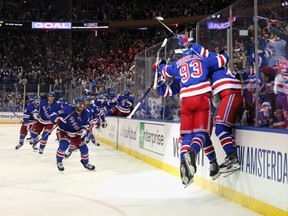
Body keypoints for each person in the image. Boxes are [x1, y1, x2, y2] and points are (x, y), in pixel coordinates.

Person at [157, 41, 229, 187]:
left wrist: (159, 66)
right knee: (202, 133)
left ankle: (185, 162)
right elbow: (223, 59)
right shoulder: (204, 59)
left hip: (186, 101)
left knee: (187, 135)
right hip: (201, 97)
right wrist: (221, 53)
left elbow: (165, 72)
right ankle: (193, 153)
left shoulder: (177, 64)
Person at [191, 43, 242, 176]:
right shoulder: (214, 68)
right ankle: (230, 156)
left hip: (230, 92)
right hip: (229, 93)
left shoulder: (211, 60)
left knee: (220, 128)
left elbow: (204, 52)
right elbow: (215, 101)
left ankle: (232, 158)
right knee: (224, 128)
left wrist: (190, 43)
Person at [50, 97, 95, 171]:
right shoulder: (67, 110)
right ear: (75, 104)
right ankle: (59, 162)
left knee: (84, 149)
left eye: (82, 104)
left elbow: (86, 124)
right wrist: (57, 119)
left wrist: (84, 130)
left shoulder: (86, 112)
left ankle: (85, 163)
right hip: (64, 131)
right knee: (63, 146)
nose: (81, 106)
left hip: (76, 134)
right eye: (79, 104)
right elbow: (53, 115)